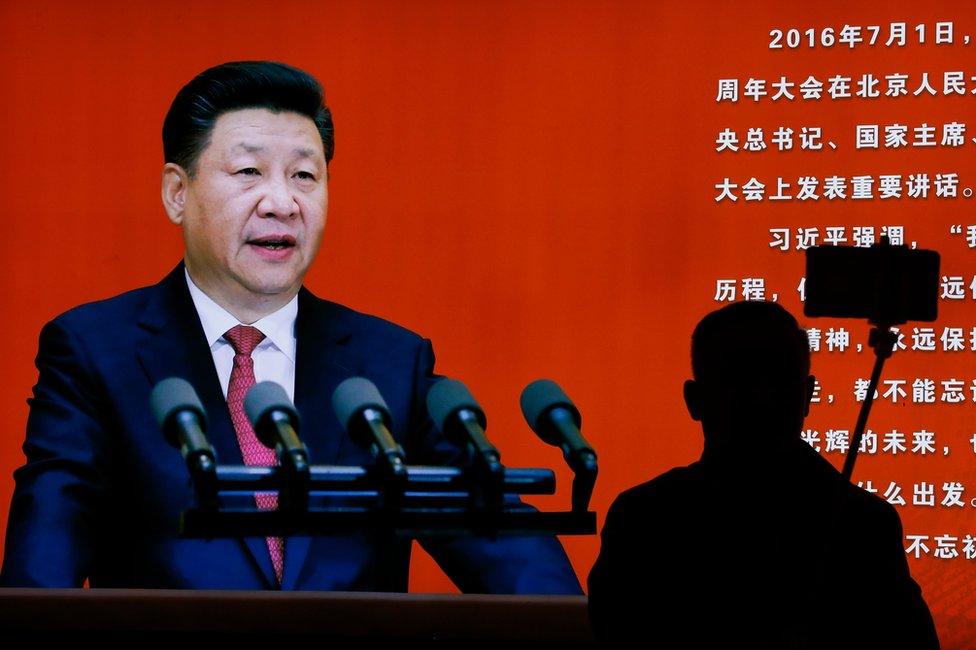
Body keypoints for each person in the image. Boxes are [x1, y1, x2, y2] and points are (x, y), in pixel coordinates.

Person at [0, 61, 581, 594]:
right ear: (178, 193)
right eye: (249, 171)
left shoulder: (387, 366)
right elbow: (43, 562)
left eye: (305, 176)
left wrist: (574, 630)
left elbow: (505, 546)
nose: (281, 202)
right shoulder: (96, 352)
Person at [588, 301, 938, 648]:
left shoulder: (644, 517)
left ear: (808, 395)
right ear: (695, 400)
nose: (762, 398)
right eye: (740, 378)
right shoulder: (863, 522)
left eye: (778, 378)